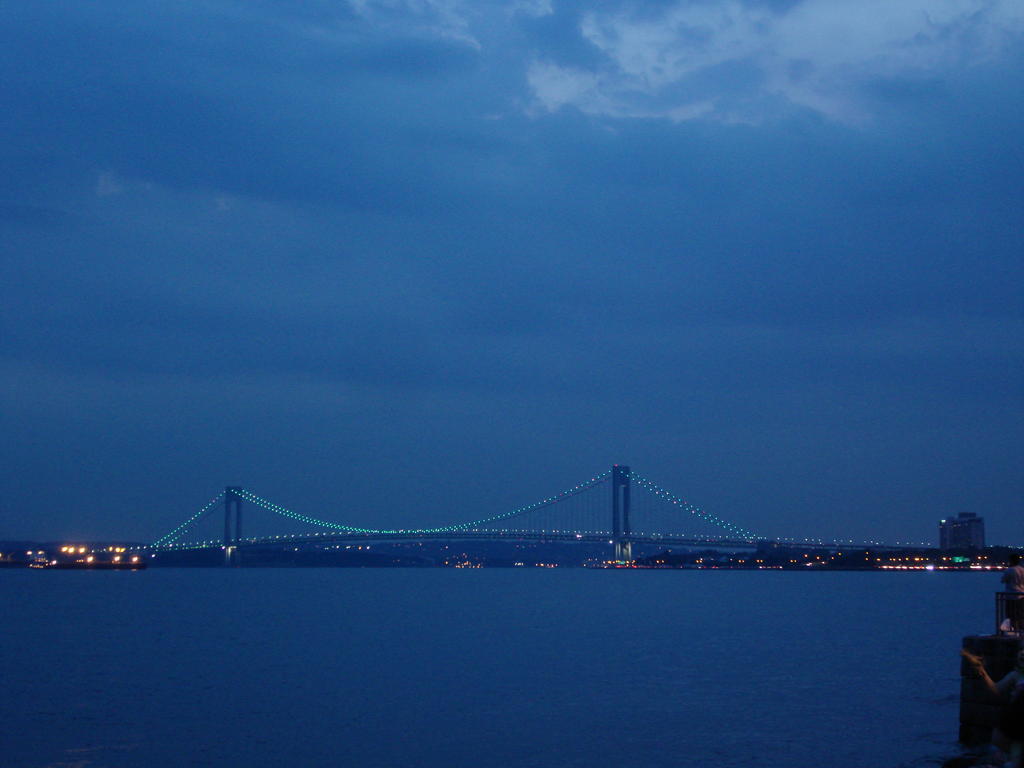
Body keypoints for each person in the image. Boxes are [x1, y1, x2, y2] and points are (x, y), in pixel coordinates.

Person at [962, 643, 1024, 768]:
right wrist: (982, 671)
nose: (1022, 654)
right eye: (1021, 651)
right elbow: (996, 689)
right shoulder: (1015, 675)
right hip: (1017, 720)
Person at [1003, 554, 1024, 633]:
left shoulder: (1009, 570)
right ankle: (1021, 629)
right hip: (1022, 594)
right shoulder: (1022, 570)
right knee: (1021, 613)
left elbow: (1003, 580)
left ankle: (1013, 630)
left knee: (1011, 614)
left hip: (1011, 595)